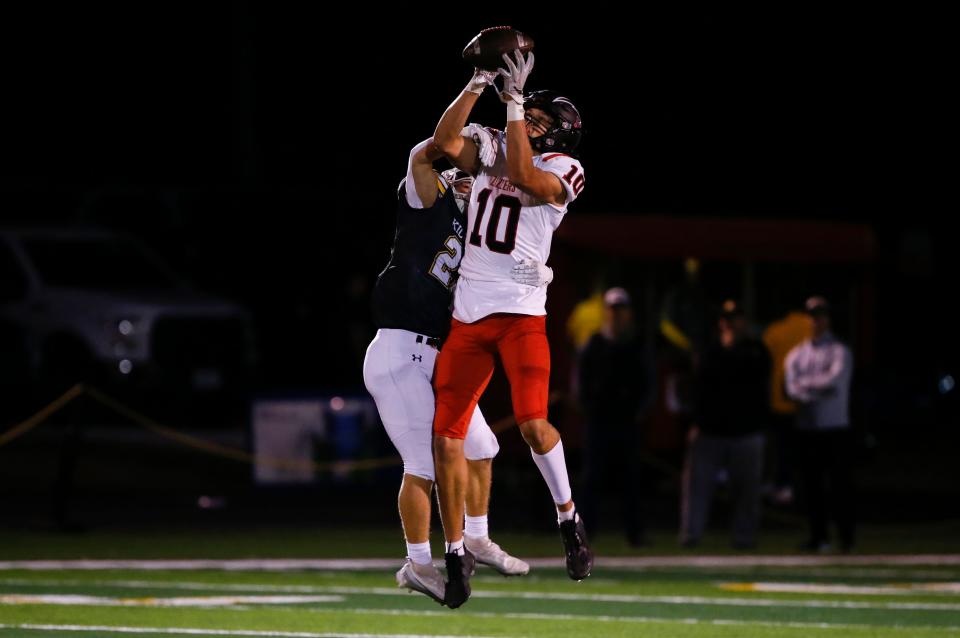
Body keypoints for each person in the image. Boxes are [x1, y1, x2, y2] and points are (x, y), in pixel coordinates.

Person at [430, 51, 593, 608]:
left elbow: (525, 176)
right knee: (445, 436)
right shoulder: (496, 142)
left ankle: (568, 517)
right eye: (532, 113)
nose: (530, 120)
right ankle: (455, 553)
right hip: (469, 314)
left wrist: (519, 104)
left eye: (545, 120)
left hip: (522, 314)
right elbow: (444, 144)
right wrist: (476, 82)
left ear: (564, 137)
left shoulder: (565, 170)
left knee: (531, 425)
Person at [363, 134, 548, 606]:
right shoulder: (428, 203)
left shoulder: (476, 235)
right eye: (463, 177)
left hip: (437, 356)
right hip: (399, 351)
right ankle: (418, 563)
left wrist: (536, 272)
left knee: (483, 445)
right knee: (424, 463)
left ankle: (479, 537)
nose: (471, 185)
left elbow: (510, 266)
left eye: (476, 180)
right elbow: (419, 157)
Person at [680, 299, 771, 549]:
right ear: (721, 323)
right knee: (697, 489)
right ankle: (691, 535)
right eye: (727, 319)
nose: (731, 324)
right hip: (710, 430)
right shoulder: (709, 351)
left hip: (746, 430)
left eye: (736, 318)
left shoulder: (756, 350)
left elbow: (759, 385)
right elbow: (697, 387)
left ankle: (744, 538)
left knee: (747, 492)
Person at [577, 287, 656, 546]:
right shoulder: (594, 345)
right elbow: (582, 382)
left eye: (620, 310)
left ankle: (636, 534)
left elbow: (648, 383)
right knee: (591, 479)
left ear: (628, 314)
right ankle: (586, 533)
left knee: (631, 479)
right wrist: (588, 408)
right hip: (599, 422)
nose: (616, 316)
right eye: (612, 310)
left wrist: (639, 412)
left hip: (627, 422)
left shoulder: (636, 345)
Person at [785, 295, 856, 552]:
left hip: (835, 427)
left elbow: (834, 383)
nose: (816, 321)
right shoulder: (796, 354)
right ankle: (818, 537)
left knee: (840, 486)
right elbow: (791, 389)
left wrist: (807, 387)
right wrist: (814, 388)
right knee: (811, 486)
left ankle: (846, 537)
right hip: (807, 429)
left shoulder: (840, 351)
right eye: (812, 316)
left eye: (821, 316)